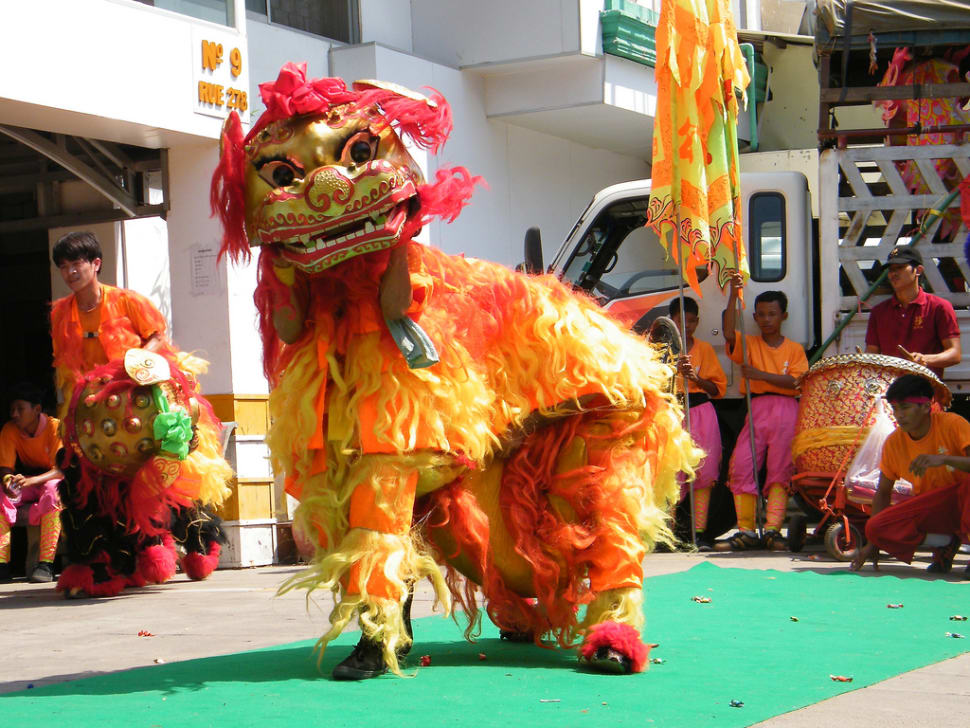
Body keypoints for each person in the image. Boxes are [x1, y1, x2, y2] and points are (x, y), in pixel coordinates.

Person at [715, 272, 808, 551]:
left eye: (772, 314)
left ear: (784, 316)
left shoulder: (794, 349)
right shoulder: (749, 344)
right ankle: (745, 531)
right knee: (742, 464)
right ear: (754, 317)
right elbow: (729, 331)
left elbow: (796, 381)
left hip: (785, 409)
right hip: (756, 407)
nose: (767, 319)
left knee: (780, 469)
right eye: (762, 315)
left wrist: (759, 373)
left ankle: (772, 530)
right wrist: (734, 294)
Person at [851, 374, 970, 577]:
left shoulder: (954, 424)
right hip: (933, 508)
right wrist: (873, 544)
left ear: (926, 407)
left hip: (963, 500)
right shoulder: (894, 442)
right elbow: (883, 492)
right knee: (875, 527)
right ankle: (947, 543)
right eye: (895, 409)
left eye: (905, 407)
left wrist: (944, 459)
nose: (899, 415)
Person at [50, 231, 171, 412]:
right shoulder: (60, 314)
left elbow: (158, 338)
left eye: (76, 263)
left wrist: (132, 365)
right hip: (89, 403)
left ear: (96, 264)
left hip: (135, 396)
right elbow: (64, 364)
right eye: (64, 266)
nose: (70, 272)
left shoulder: (127, 300)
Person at [670, 296, 727, 551]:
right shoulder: (661, 349)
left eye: (692, 321)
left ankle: (700, 534)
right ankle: (668, 536)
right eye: (681, 321)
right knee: (671, 473)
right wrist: (674, 373)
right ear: (671, 321)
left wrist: (696, 377)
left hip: (702, 410)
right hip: (673, 410)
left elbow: (717, 389)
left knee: (704, 473)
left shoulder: (703, 349)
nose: (687, 326)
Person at [864, 247, 961, 378]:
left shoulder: (939, 307)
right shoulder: (878, 312)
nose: (894, 273)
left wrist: (925, 359)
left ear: (918, 270)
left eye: (900, 267)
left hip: (926, 392)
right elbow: (871, 356)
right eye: (891, 269)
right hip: (888, 394)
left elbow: (955, 354)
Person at [0, 382, 63, 583]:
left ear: (37, 409)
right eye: (12, 409)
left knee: (53, 491)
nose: (14, 414)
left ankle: (46, 564)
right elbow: (6, 469)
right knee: (1, 493)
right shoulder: (9, 430)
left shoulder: (55, 427)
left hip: (51, 480)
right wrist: (9, 481)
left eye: (20, 408)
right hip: (27, 481)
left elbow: (61, 470)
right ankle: (2, 564)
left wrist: (33, 480)